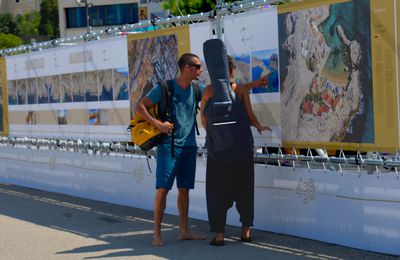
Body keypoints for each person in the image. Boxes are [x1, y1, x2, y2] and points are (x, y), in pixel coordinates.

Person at [136, 53, 206, 247]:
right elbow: (140, 107)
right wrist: (158, 124)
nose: (201, 70)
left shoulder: (197, 88)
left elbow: (216, 91)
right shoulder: (164, 88)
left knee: (184, 190)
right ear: (187, 68)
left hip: (190, 147)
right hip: (168, 147)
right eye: (198, 66)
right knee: (163, 190)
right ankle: (156, 234)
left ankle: (184, 231)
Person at [200, 55, 271, 246]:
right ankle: (246, 232)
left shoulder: (208, 91)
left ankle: (219, 235)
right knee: (244, 190)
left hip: (217, 153)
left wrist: (217, 137)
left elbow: (203, 121)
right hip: (241, 150)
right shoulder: (239, 90)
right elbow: (250, 115)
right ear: (232, 71)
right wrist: (259, 126)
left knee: (217, 192)